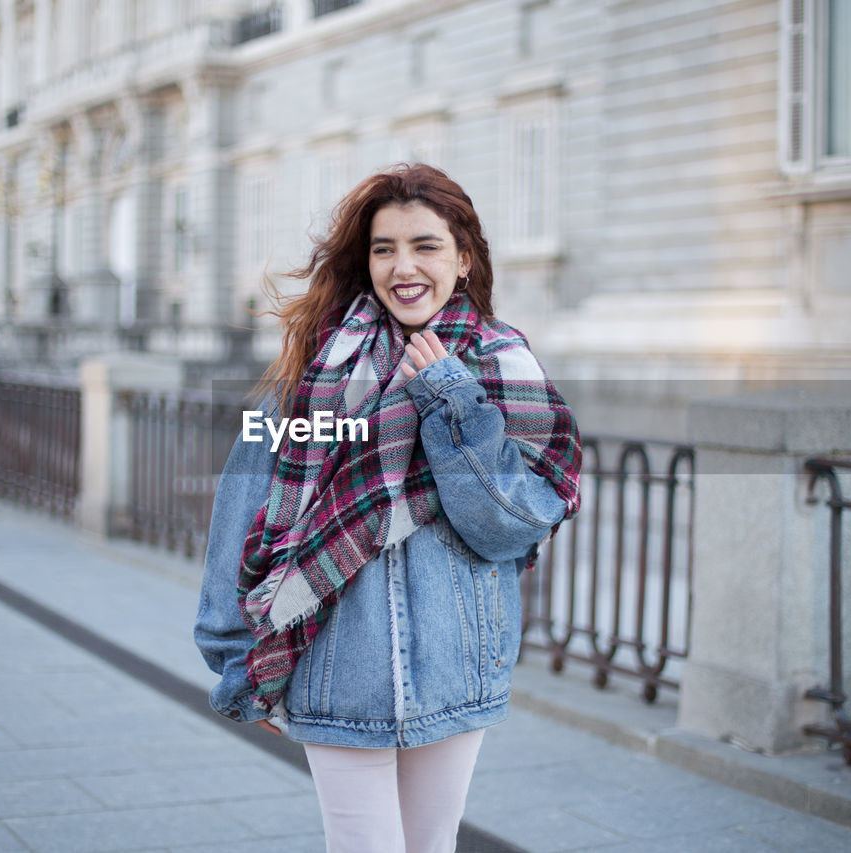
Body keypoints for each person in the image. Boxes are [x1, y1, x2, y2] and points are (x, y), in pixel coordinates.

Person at [194, 163, 582, 853]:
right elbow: (241, 504)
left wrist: (448, 399)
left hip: (456, 664)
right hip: (334, 663)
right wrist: (238, 659)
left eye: (425, 245)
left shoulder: (502, 368)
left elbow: (509, 524)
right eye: (384, 248)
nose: (403, 266)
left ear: (463, 257)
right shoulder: (315, 375)